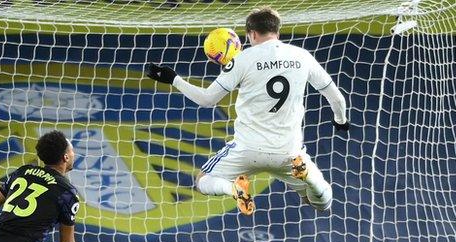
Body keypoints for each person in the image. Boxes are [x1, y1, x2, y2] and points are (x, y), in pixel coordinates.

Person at [146, 6, 348, 215]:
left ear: (251, 34)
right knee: (320, 202)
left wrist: (174, 79)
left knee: (203, 180)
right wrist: (340, 120)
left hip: (247, 150)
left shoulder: (241, 60)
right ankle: (309, 177)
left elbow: (207, 100)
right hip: (288, 152)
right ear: (277, 31)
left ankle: (232, 188)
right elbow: (336, 97)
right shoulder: (302, 56)